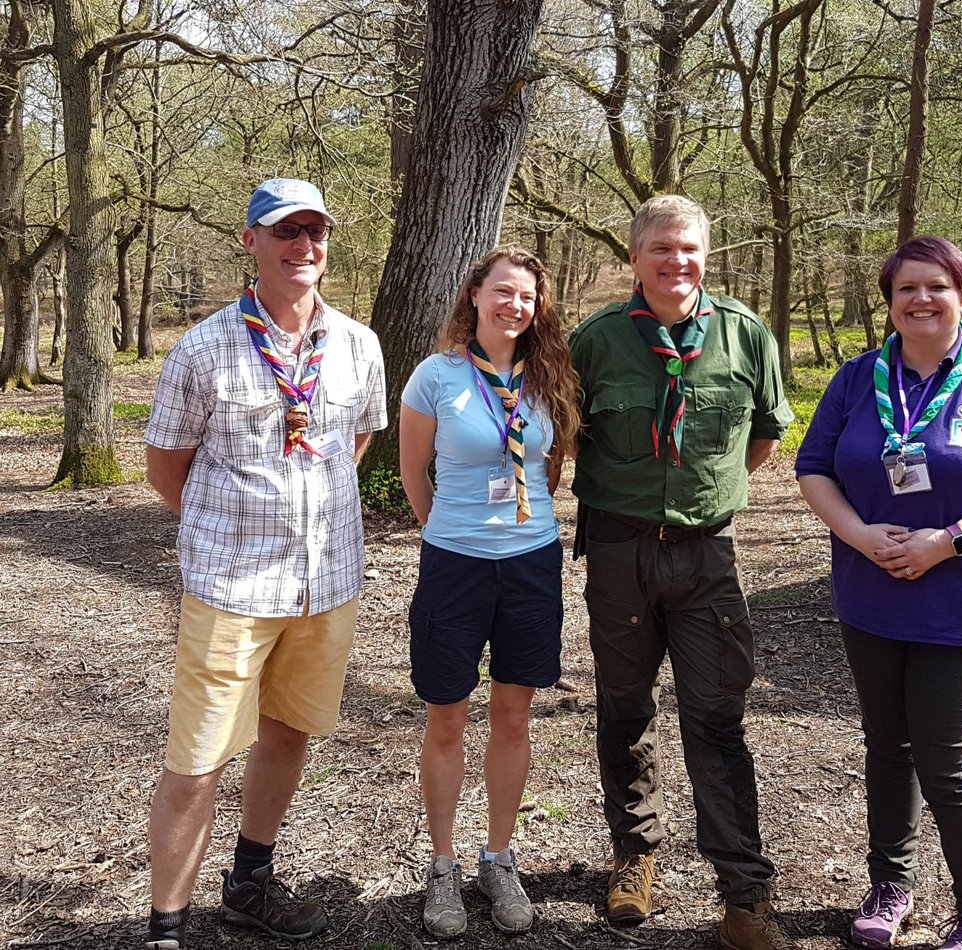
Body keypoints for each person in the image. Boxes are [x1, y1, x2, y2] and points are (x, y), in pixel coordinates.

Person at [794, 235, 962, 950]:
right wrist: (857, 535)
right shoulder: (856, 379)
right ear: (889, 302)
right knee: (887, 746)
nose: (921, 299)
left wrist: (947, 541)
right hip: (870, 594)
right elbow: (814, 467)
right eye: (906, 288)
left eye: (936, 286)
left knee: (945, 761)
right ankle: (891, 886)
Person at [142, 178, 387, 949]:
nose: (303, 246)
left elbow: (356, 445)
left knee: (287, 735)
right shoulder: (203, 347)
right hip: (231, 589)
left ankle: (249, 882)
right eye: (286, 231)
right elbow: (164, 467)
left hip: (327, 585)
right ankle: (165, 927)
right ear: (251, 242)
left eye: (315, 232)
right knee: (199, 758)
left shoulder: (358, 345)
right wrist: (230, 526)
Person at [569, 195, 795, 950]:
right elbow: (566, 439)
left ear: (707, 254)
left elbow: (760, 438)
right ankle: (635, 854)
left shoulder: (745, 335)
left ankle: (743, 895)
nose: (677, 262)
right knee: (625, 707)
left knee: (716, 719)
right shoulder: (594, 343)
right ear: (634, 258)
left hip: (706, 554)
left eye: (690, 249)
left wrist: (704, 498)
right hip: (619, 552)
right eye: (660, 249)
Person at [397, 246, 580, 937]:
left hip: (531, 564)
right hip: (455, 564)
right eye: (503, 291)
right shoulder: (436, 376)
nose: (515, 306)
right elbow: (416, 471)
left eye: (527, 296)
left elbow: (552, 464)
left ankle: (497, 858)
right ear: (474, 295)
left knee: (512, 715)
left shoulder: (549, 376)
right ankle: (442, 864)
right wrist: (448, 530)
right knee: (446, 718)